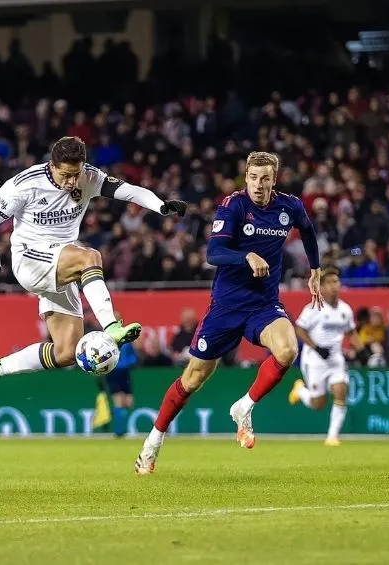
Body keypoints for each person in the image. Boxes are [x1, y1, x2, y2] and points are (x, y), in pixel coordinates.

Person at [134, 151, 322, 475]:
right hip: (226, 307)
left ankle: (244, 406)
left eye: (265, 179)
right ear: (245, 177)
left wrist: (315, 268)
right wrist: (246, 255)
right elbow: (214, 252)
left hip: (263, 304)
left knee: (288, 349)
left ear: (274, 179)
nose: (258, 185)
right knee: (192, 379)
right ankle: (153, 442)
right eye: (253, 178)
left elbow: (307, 229)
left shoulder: (288, 206)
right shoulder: (233, 206)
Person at [0, 136, 187, 402]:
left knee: (66, 352)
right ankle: (111, 326)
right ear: (52, 165)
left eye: (76, 174)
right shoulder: (25, 184)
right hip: (30, 260)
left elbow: (129, 190)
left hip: (61, 265)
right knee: (89, 256)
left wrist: (160, 206)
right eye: (66, 175)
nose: (71, 182)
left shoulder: (88, 177)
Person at [288, 267, 365, 446]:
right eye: (328, 283)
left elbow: (351, 332)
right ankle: (300, 390)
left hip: (335, 359)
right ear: (321, 287)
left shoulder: (345, 309)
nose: (333, 286)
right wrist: (317, 347)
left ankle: (332, 436)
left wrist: (362, 351)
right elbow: (299, 328)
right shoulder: (314, 307)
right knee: (318, 404)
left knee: (340, 391)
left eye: (335, 282)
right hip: (314, 359)